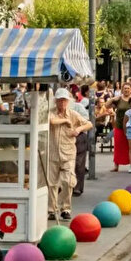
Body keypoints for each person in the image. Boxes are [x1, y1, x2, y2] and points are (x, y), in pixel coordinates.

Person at [49, 89, 91, 220]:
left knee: (68, 181)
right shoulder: (51, 113)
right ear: (55, 101)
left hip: (68, 152)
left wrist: (78, 129)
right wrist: (65, 121)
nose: (62, 103)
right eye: (59, 100)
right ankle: (52, 209)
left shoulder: (73, 114)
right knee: (52, 183)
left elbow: (89, 124)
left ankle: (65, 207)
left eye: (64, 100)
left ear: (68, 101)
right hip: (53, 152)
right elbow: (52, 121)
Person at [109, 82, 131, 172]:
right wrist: (113, 98)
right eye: (125, 88)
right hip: (119, 126)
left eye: (128, 88)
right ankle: (116, 166)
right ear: (122, 90)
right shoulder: (118, 99)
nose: (126, 90)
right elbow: (107, 105)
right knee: (118, 147)